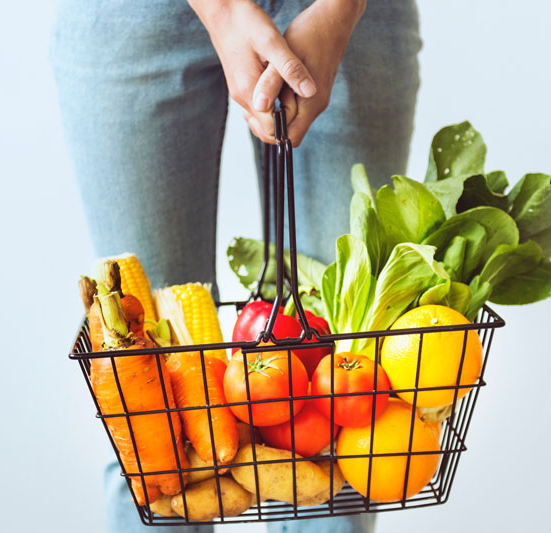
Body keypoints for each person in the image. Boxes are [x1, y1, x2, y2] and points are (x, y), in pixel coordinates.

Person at [51, 0, 421, 531]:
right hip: (136, 15)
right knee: (150, 433)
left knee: (343, 442)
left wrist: (342, 10)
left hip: (345, 13)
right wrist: (223, 9)